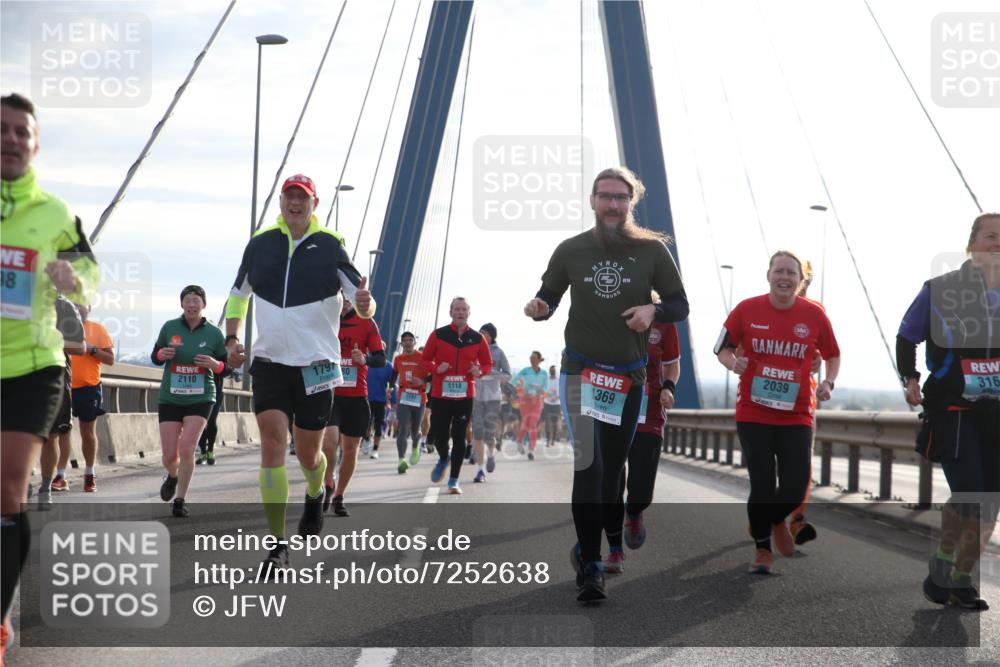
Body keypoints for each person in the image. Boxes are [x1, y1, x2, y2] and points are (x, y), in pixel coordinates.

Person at [524, 166, 688, 602]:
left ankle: (587, 546)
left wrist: (653, 312)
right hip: (581, 371)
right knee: (589, 466)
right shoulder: (571, 250)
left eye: (621, 197)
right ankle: (592, 569)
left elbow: (679, 304)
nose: (613, 204)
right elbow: (550, 297)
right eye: (605, 196)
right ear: (592, 201)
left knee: (612, 475)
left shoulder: (652, 252)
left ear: (630, 203)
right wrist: (539, 307)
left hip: (628, 379)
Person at [225, 173, 375, 575]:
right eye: (290, 196)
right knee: (273, 445)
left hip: (317, 365)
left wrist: (365, 303)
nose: (296, 203)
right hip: (271, 362)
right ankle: (276, 545)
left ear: (315, 204)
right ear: (281, 201)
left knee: (310, 455)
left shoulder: (330, 246)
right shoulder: (260, 245)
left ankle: (314, 491)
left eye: (303, 198)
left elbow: (361, 301)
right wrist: (232, 339)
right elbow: (238, 295)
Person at [0, 92, 99, 654]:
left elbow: (88, 270)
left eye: (22, 132)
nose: (12, 139)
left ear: (35, 144)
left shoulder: (56, 214)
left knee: (10, 482)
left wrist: (73, 278)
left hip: (34, 364)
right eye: (3, 129)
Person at [714, 250, 840, 575]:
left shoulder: (814, 314)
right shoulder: (746, 309)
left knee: (796, 487)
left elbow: (833, 354)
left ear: (800, 281)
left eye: (791, 273)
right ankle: (762, 550)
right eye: (779, 271)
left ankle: (773, 519)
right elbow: (721, 348)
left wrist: (828, 381)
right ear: (768, 275)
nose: (785, 277)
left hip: (796, 412)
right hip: (753, 412)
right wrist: (733, 363)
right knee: (763, 484)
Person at [897, 212, 1000, 611]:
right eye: (991, 236)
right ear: (971, 244)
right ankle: (945, 564)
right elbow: (907, 335)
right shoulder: (941, 289)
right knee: (971, 493)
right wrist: (909, 378)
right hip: (954, 407)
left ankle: (961, 578)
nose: (998, 244)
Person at [604, 315, 680, 573]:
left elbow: (672, 363)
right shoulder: (607, 312)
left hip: (650, 411)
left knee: (642, 485)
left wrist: (669, 387)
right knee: (611, 481)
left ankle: (634, 510)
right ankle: (615, 550)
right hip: (612, 405)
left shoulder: (664, 323)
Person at [151, 285, 228, 517]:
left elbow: (225, 368)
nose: (192, 305)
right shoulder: (169, 327)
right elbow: (155, 356)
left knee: (187, 448)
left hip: (201, 396)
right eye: (188, 301)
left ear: (203, 305)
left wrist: (215, 365)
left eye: (196, 301)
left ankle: (180, 499)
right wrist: (160, 355)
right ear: (181, 304)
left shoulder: (214, 333)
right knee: (168, 456)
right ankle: (173, 476)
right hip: (170, 397)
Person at [422, 297, 493, 494]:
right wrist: (437, 368)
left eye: (464, 309)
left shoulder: (478, 338)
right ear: (451, 312)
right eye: (457, 309)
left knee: (460, 436)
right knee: (440, 436)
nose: (460, 312)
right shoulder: (438, 335)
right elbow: (425, 360)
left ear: (469, 313)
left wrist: (480, 371)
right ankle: (443, 457)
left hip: (465, 396)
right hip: (440, 395)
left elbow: (487, 364)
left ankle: (453, 480)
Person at [321, 298, 385, 517]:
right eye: (342, 295)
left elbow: (380, 358)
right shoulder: (324, 319)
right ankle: (328, 481)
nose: (346, 301)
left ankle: (339, 495)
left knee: (350, 450)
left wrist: (365, 358)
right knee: (329, 443)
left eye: (349, 296)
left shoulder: (367, 322)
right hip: (331, 394)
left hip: (357, 397)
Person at [37, 296, 86, 507]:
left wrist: (48, 341)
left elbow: (80, 346)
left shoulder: (63, 305)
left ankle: (45, 487)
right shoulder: (11, 297)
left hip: (53, 378)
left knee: (51, 437)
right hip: (13, 376)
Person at [69, 302, 114, 492]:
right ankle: (59, 474)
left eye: (82, 305)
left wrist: (92, 349)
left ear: (89, 307)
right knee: (57, 433)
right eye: (74, 304)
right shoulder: (59, 328)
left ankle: (89, 473)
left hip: (89, 387)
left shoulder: (97, 329)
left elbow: (110, 360)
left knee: (87, 432)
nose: (78, 308)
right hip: (63, 385)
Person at [471, 323, 511, 481]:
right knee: (478, 432)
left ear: (492, 336)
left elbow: (507, 376)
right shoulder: (473, 350)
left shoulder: (499, 353)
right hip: (476, 397)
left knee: (489, 433)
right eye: (480, 332)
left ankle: (491, 455)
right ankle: (481, 470)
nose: (481, 335)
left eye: (485, 333)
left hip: (493, 398)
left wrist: (488, 372)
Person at [391, 331, 428, 473]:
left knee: (415, 429)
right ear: (401, 344)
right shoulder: (398, 359)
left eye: (410, 340)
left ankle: (415, 447)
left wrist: (423, 381)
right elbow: (394, 374)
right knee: (403, 428)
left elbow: (432, 375)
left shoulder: (423, 357)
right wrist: (389, 386)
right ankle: (401, 461)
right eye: (404, 340)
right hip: (404, 396)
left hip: (419, 397)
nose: (407, 342)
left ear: (414, 342)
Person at [512, 351, 548, 460]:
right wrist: (521, 387)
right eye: (530, 357)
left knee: (532, 424)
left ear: (539, 359)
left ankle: (532, 449)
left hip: (537, 401)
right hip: (525, 400)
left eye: (533, 357)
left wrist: (541, 391)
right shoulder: (525, 371)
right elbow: (514, 381)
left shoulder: (544, 373)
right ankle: (519, 441)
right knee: (526, 423)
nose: (531, 359)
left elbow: (546, 387)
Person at [365, 342, 394, 460]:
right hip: (366, 398)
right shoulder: (365, 363)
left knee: (379, 425)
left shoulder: (388, 366)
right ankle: (366, 441)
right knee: (366, 423)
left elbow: (393, 380)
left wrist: (390, 388)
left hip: (380, 400)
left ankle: (375, 449)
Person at [542, 364, 562, 447]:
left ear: (555, 371)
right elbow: (543, 390)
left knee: (554, 424)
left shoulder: (559, 380)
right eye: (551, 370)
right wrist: (546, 395)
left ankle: (553, 439)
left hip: (556, 404)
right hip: (547, 403)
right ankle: (548, 440)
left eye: (554, 370)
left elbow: (562, 392)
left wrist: (556, 397)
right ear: (549, 371)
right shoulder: (546, 380)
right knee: (547, 422)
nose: (552, 371)